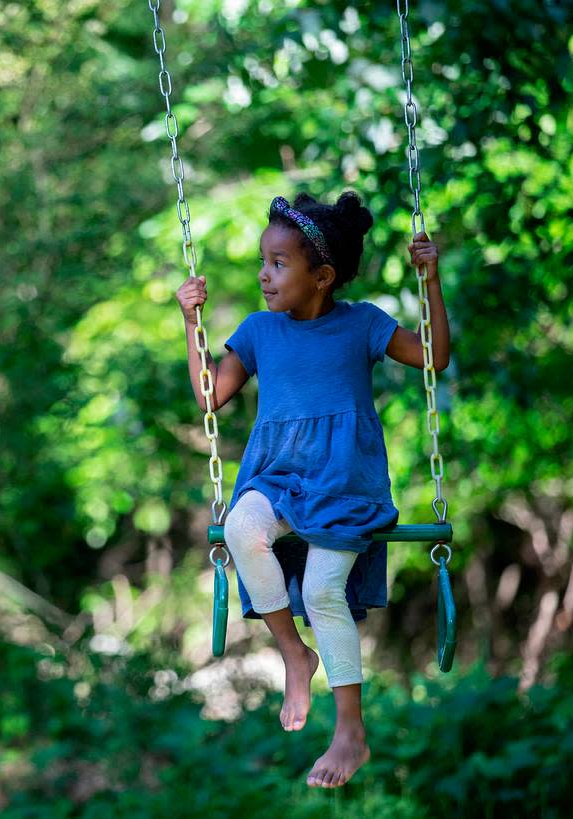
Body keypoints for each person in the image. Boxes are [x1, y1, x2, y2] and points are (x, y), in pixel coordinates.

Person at [175, 191, 449, 788]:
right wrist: (191, 319)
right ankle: (293, 653)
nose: (263, 275)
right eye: (263, 261)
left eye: (279, 264)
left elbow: (433, 357)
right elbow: (209, 396)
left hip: (344, 484)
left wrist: (429, 280)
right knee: (245, 529)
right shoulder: (257, 332)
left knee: (326, 589)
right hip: (275, 477)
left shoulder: (363, 324)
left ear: (321, 277)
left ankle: (350, 730)